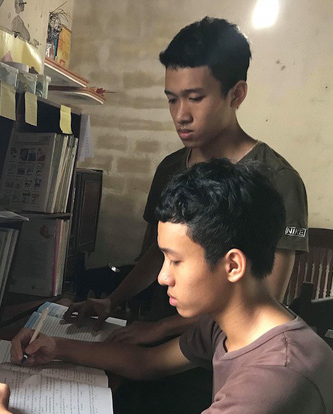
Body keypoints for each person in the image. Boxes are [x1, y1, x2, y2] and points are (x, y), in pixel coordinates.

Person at [0, 159, 333, 414]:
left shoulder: (282, 373)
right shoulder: (228, 322)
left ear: (233, 265)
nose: (163, 276)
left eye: (175, 260)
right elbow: (148, 362)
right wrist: (59, 347)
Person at [65, 17, 308, 347]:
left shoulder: (277, 181)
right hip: (151, 340)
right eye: (172, 99)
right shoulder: (171, 168)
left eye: (195, 98)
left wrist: (166, 328)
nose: (181, 115)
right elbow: (157, 254)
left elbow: (265, 299)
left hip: (220, 354)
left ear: (236, 94)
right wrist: (112, 301)